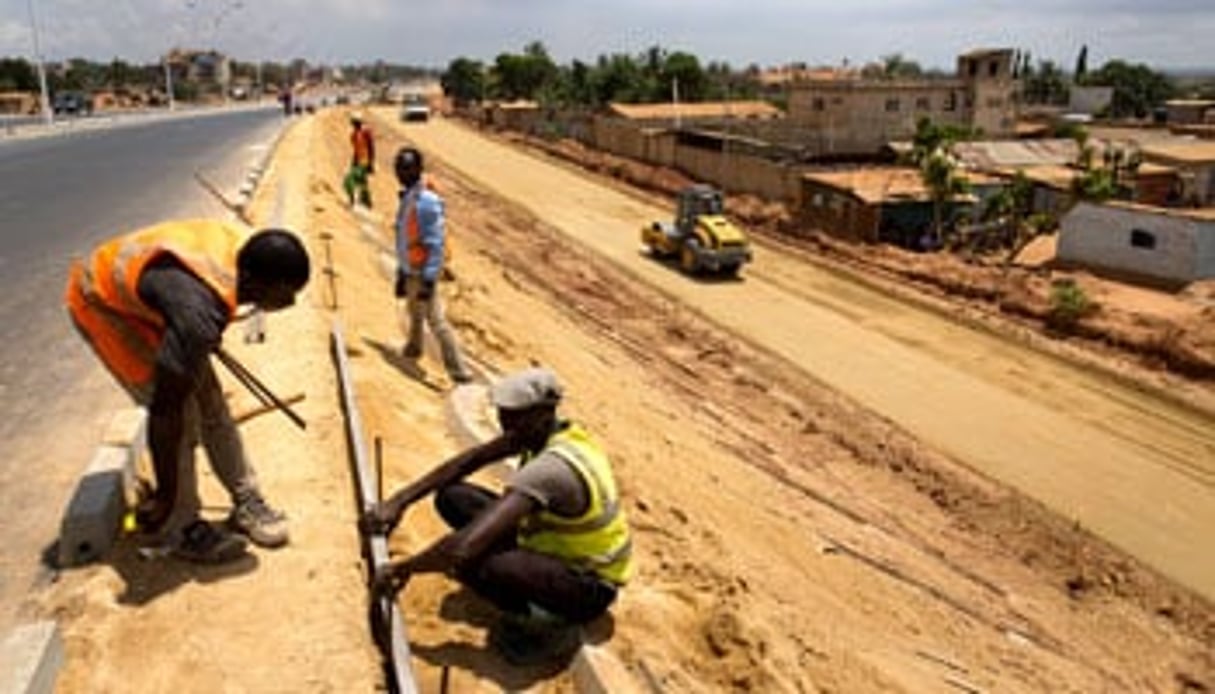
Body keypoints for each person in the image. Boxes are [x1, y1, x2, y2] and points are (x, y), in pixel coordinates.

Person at [64, 220, 310, 564]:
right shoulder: (196, 314)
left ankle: (246, 500)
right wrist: (164, 495)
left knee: (212, 405)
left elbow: (196, 305)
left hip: (158, 298)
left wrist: (196, 335)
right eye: (285, 293)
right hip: (104, 304)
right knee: (182, 419)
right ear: (257, 281)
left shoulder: (240, 255)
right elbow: (165, 411)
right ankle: (180, 527)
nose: (290, 302)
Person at [363, 367, 632, 664]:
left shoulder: (553, 468)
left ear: (542, 414)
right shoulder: (538, 432)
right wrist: (400, 501)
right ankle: (529, 586)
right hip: (551, 548)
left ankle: (553, 625)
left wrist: (404, 568)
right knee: (453, 497)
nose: (504, 423)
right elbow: (471, 460)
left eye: (512, 415)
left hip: (588, 585)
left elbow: (461, 549)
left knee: (473, 562)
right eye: (503, 413)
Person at [392, 146, 473, 384]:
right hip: (411, 269)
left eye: (407, 168)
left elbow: (435, 244)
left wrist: (429, 279)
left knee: (436, 321)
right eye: (399, 168)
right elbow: (404, 237)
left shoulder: (425, 202)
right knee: (414, 313)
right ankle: (414, 348)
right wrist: (401, 272)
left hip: (422, 270)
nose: (401, 172)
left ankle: (459, 371)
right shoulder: (409, 196)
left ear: (418, 170)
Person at [343, 111, 375, 208]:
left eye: (356, 122)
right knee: (362, 183)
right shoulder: (353, 135)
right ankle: (367, 203)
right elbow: (356, 151)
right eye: (354, 122)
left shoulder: (366, 132)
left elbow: (371, 147)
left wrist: (370, 163)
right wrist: (353, 162)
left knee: (348, 180)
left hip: (364, 162)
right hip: (359, 162)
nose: (354, 124)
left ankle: (353, 201)